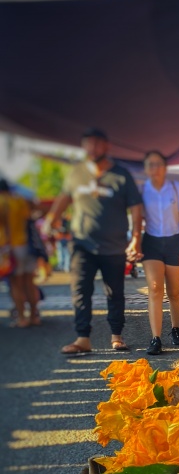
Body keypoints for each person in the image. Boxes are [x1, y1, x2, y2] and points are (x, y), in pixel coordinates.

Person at [42, 128, 143, 355]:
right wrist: (50, 220)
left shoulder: (121, 175)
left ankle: (117, 336)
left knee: (114, 292)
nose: (92, 148)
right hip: (82, 244)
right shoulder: (76, 173)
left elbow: (136, 207)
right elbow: (63, 198)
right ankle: (82, 338)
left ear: (106, 146)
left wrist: (136, 237)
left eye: (97, 144)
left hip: (114, 245)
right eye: (88, 144)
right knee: (80, 290)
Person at [130, 150, 179, 355]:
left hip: (174, 241)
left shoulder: (176, 188)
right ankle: (155, 338)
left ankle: (175, 329)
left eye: (158, 164)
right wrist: (135, 242)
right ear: (146, 169)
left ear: (165, 168)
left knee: (174, 292)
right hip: (152, 243)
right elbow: (136, 219)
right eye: (150, 165)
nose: (154, 168)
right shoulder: (141, 190)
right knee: (155, 288)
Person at [0, 179, 40, 327]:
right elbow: (31, 214)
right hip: (26, 245)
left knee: (15, 284)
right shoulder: (19, 200)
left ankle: (22, 318)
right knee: (29, 282)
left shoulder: (1, 202)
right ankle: (34, 316)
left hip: (9, 246)